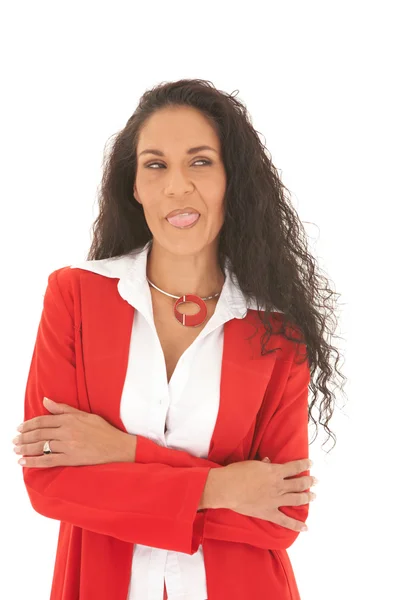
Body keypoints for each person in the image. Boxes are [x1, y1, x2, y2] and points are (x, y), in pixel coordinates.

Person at [14, 79, 344, 600]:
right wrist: (223, 487)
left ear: (231, 179)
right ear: (135, 186)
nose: (176, 186)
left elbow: (281, 518)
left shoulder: (279, 335)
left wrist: (119, 453)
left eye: (200, 161)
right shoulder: (74, 296)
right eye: (156, 164)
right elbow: (52, 484)